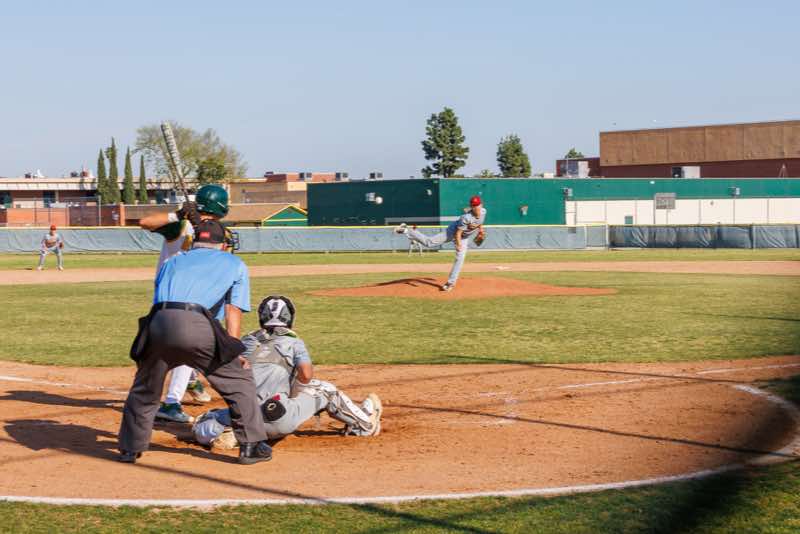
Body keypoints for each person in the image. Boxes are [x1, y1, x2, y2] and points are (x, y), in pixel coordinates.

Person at [118, 219, 272, 465]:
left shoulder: (173, 261)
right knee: (239, 382)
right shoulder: (234, 263)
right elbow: (233, 310)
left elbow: (160, 299)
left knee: (145, 387)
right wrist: (233, 350)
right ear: (223, 244)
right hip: (197, 324)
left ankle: (129, 447)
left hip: (158, 322)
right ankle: (251, 446)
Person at [192, 295, 382, 450]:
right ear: (290, 318)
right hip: (279, 417)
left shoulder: (247, 341)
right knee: (325, 389)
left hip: (243, 417)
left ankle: (235, 433)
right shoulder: (294, 342)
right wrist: (294, 391)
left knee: (205, 421)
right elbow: (306, 376)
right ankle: (365, 425)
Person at [138, 184, 232, 424]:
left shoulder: (218, 232)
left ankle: (188, 379)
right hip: (180, 295)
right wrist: (178, 215)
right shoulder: (182, 226)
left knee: (185, 346)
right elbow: (145, 222)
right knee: (189, 346)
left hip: (189, 296)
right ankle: (171, 403)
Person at [395, 195, 486, 291]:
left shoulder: (484, 212)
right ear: (471, 206)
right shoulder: (466, 218)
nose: (476, 207)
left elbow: (479, 221)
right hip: (453, 232)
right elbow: (458, 233)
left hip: (464, 237)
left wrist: (481, 230)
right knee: (429, 243)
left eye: (477, 205)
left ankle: (450, 283)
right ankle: (407, 230)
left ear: (481, 205)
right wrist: (458, 244)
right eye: (473, 205)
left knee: (460, 259)